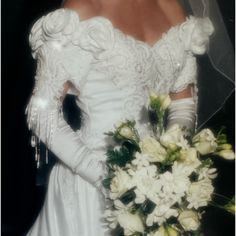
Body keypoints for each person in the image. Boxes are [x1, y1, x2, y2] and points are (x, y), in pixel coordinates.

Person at [25, 0, 216, 235]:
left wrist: (170, 168)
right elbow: (42, 112)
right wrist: (108, 179)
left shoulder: (171, 6)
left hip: (157, 191)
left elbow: (183, 103)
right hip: (91, 186)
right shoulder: (82, 8)